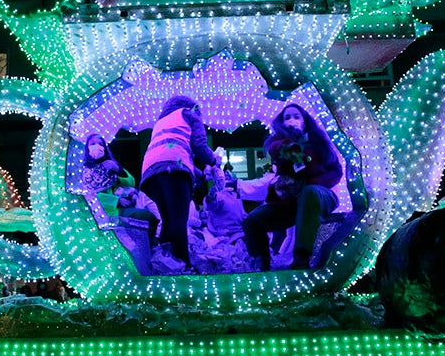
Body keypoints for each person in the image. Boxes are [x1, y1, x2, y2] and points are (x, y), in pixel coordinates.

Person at [240, 103, 343, 270]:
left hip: (320, 195)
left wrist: (311, 180)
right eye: (287, 117)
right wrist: (288, 147)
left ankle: (301, 260)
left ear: (305, 121)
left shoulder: (317, 141)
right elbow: (276, 149)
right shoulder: (280, 144)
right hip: (291, 203)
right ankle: (261, 266)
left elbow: (335, 171)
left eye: (296, 116)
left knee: (309, 193)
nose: (292, 120)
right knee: (252, 221)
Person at [139, 95, 221, 270]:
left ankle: (165, 262)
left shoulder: (161, 122)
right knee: (178, 220)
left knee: (168, 220)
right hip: (173, 169)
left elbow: (175, 151)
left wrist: (200, 174)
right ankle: (185, 266)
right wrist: (214, 161)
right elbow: (199, 146)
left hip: (151, 173)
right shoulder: (190, 114)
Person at [82, 133, 159, 243]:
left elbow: (131, 182)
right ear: (86, 147)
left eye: (100, 144)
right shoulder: (84, 169)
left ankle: (154, 247)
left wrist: (118, 169)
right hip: (104, 212)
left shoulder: (110, 164)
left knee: (150, 215)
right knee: (146, 216)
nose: (97, 146)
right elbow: (88, 194)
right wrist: (116, 201)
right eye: (93, 144)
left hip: (121, 208)